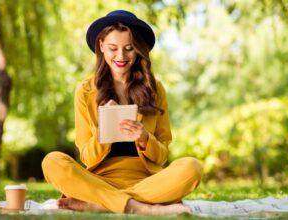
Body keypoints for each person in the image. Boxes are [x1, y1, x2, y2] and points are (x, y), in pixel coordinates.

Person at [42, 9, 203, 215]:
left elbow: (162, 156)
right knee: (52, 162)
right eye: (113, 48)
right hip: (99, 179)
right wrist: (104, 130)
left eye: (129, 48)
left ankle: (101, 204)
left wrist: (145, 138)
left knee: (192, 167)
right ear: (101, 46)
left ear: (138, 50)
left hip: (146, 181)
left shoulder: (156, 89)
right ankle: (141, 207)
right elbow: (87, 159)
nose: (121, 56)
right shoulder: (85, 91)